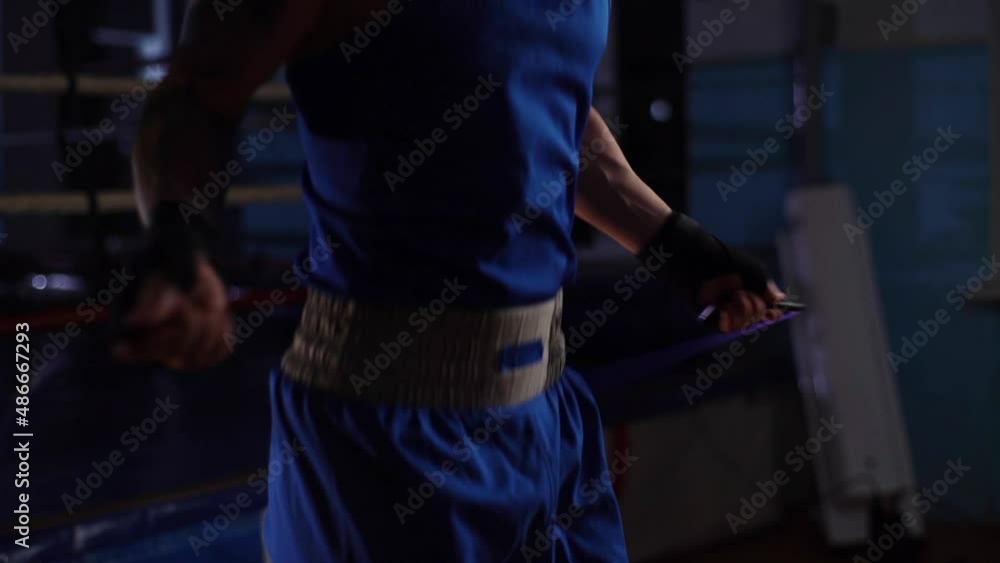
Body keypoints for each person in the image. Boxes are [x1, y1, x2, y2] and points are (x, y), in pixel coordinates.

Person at [116, 0, 786, 561]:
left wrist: (679, 246)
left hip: (549, 414)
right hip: (383, 438)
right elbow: (196, 98)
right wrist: (180, 239)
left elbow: (546, 103)